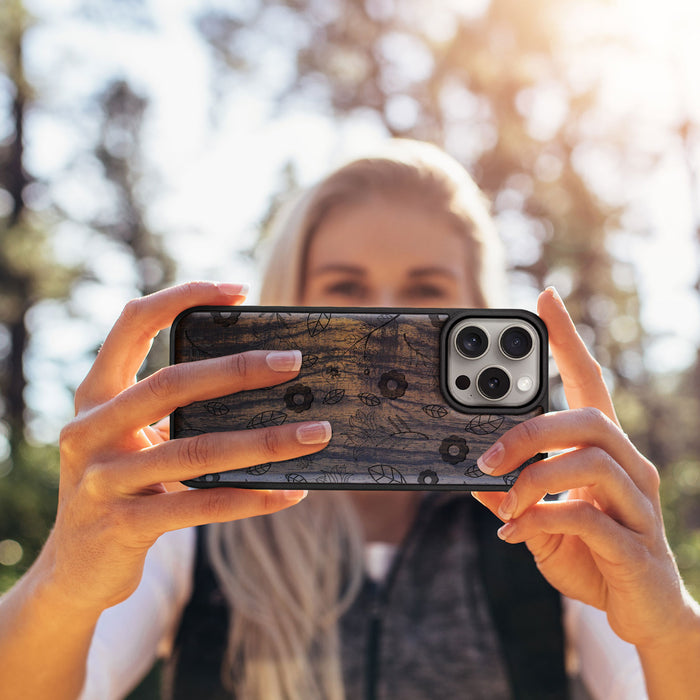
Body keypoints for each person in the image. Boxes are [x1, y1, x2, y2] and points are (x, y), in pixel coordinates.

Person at [1, 139, 699, 700]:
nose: (386, 324)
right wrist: (64, 580)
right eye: (347, 292)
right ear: (286, 306)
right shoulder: (195, 514)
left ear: (478, 312)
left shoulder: (547, 521)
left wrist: (667, 628)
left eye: (426, 293)